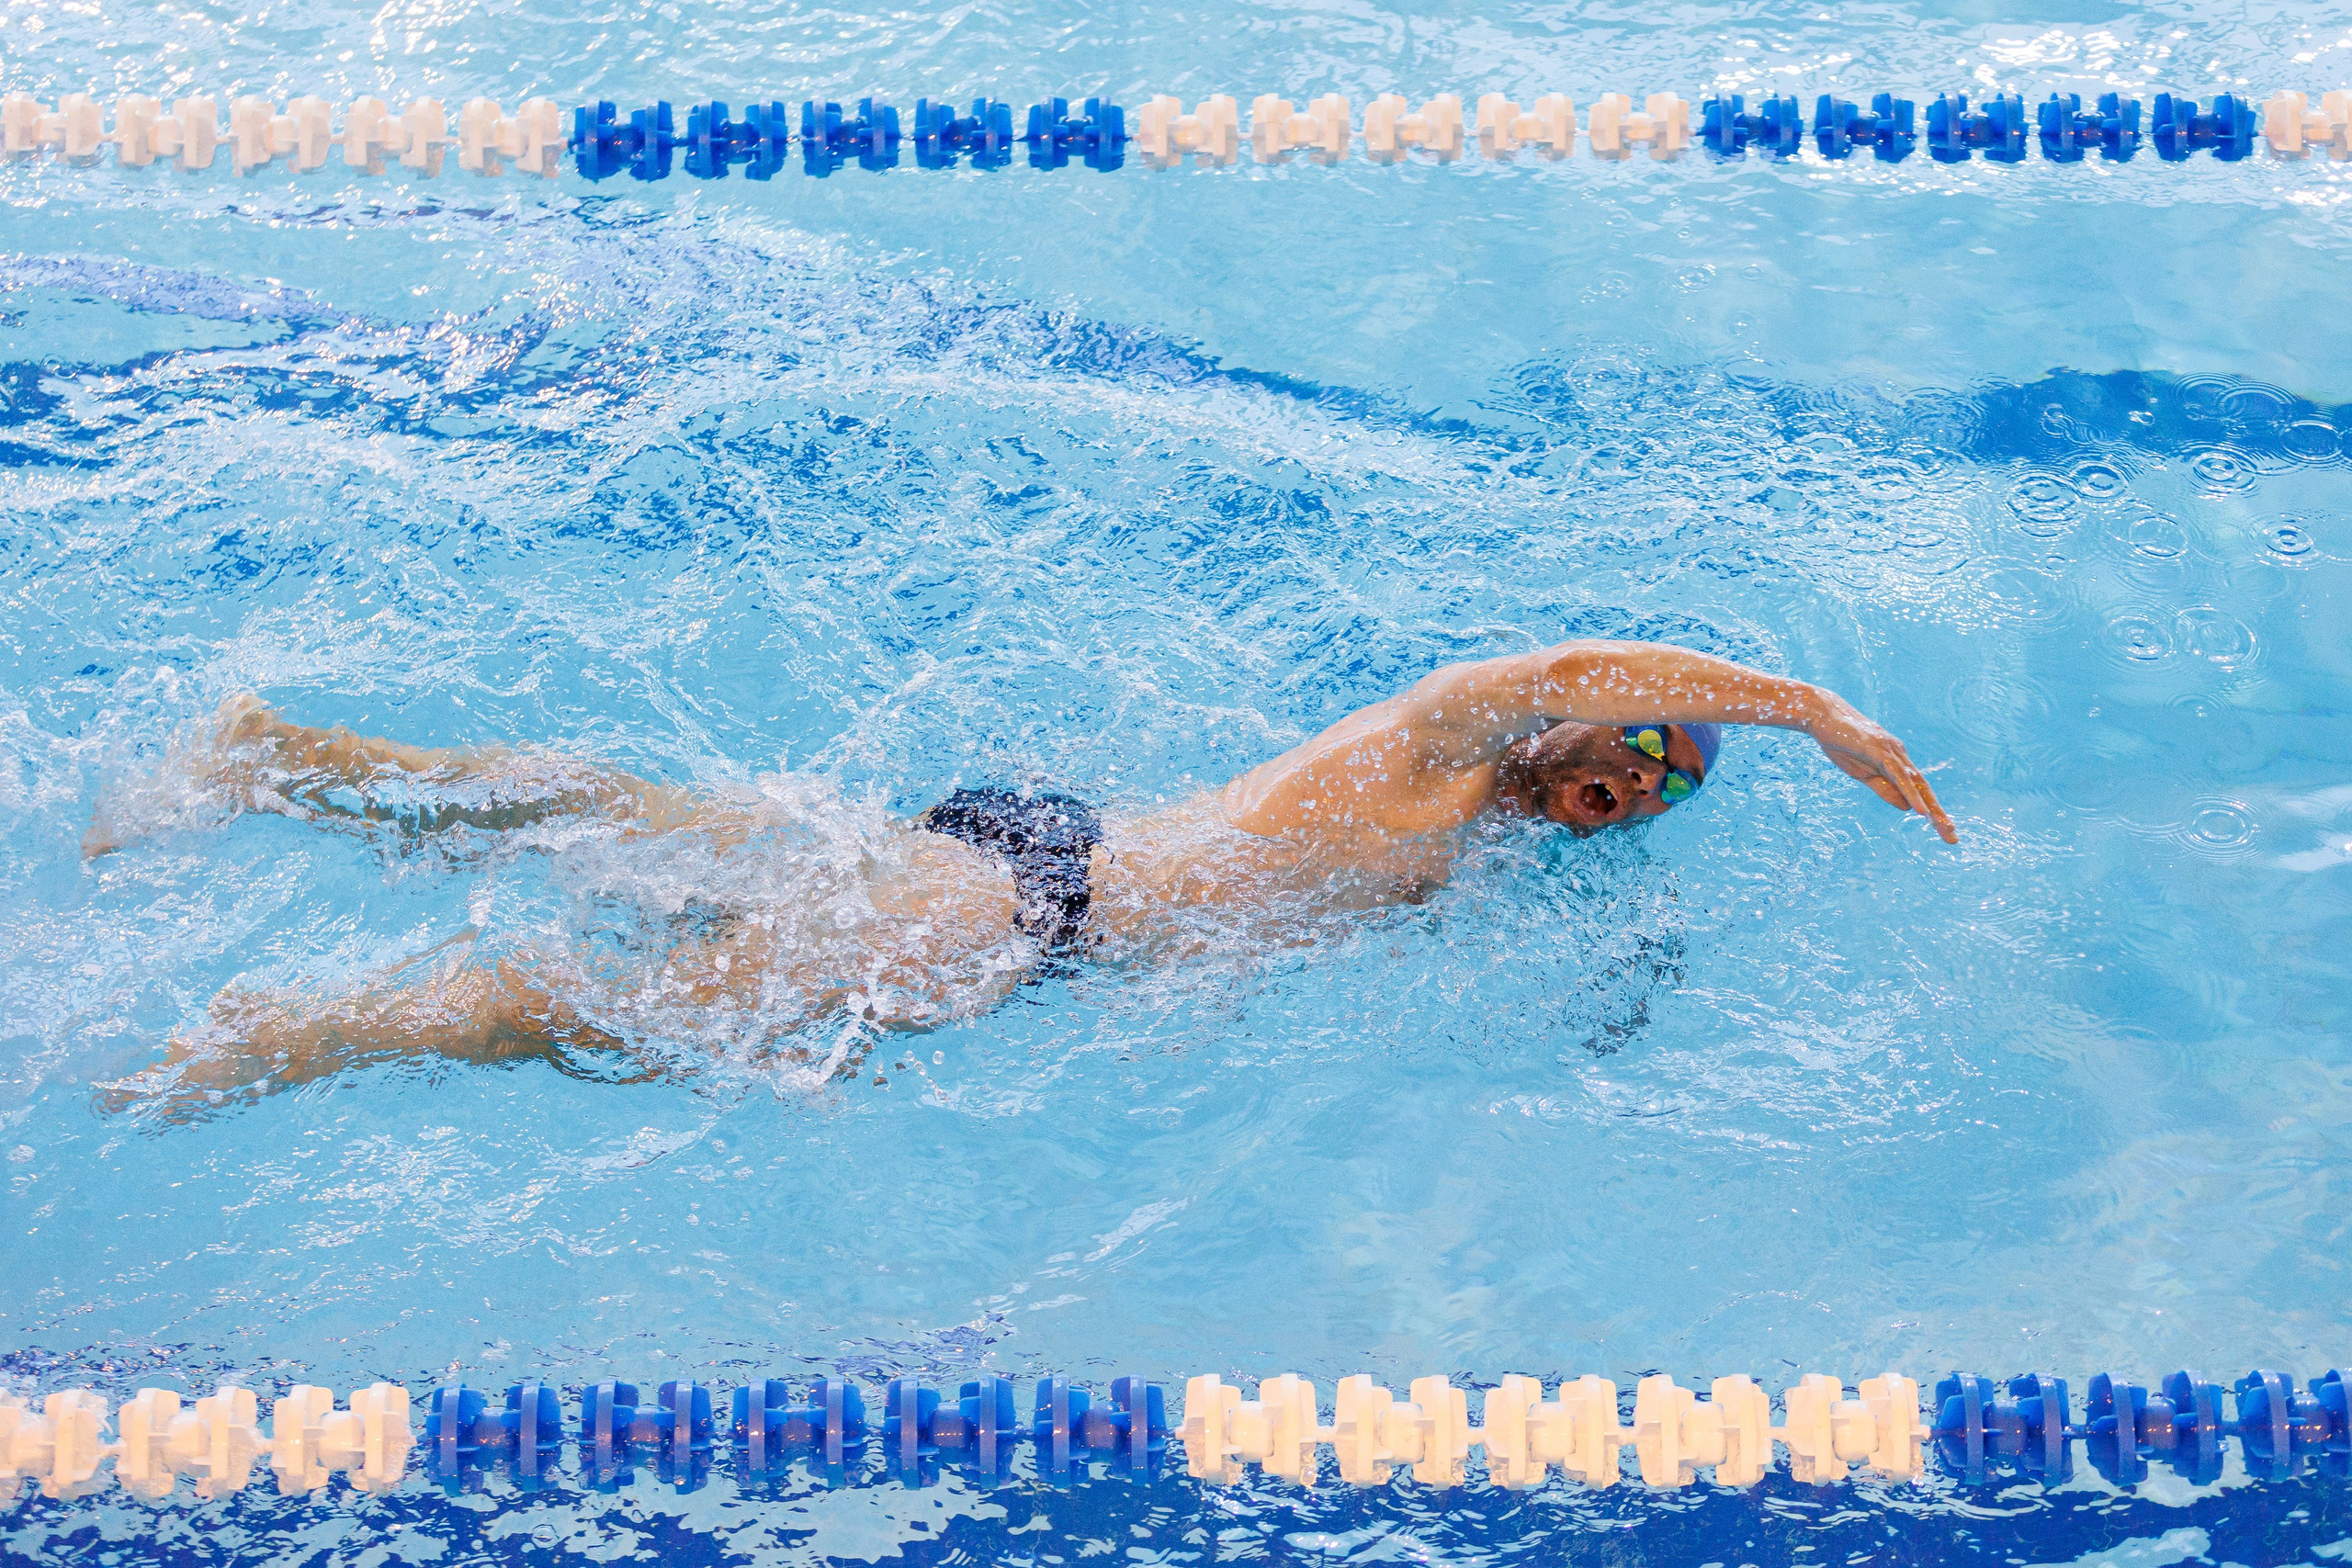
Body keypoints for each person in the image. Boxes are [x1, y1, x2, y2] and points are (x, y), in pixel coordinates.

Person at [93, 638, 1954, 1106]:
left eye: (1662, 788)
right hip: (1019, 905)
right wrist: (1802, 710)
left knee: (640, 833)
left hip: (1028, 888)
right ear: (1560, 739)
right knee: (648, 1021)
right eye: (1631, 745)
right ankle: (299, 1030)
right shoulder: (1423, 753)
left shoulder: (1463, 848)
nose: (1631, 779)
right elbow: (1557, 663)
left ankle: (286, 761)